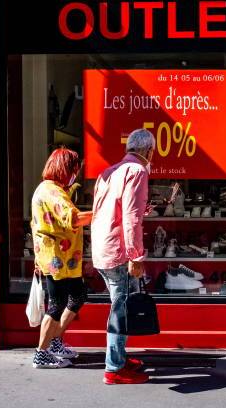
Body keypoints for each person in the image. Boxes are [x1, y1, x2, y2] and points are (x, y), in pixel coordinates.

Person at [91, 128, 155, 385]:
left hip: (103, 248)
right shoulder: (137, 171)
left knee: (120, 306)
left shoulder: (109, 171)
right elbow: (131, 219)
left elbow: (103, 210)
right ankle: (114, 368)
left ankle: (119, 357)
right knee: (120, 309)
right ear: (148, 151)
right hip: (120, 251)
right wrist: (136, 256)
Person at [31, 147, 92, 368]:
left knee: (77, 295)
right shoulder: (51, 191)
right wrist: (103, 213)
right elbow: (72, 218)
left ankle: (55, 340)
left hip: (65, 258)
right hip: (57, 258)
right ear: (65, 168)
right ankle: (41, 352)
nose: (77, 173)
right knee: (56, 304)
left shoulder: (51, 189)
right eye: (75, 169)